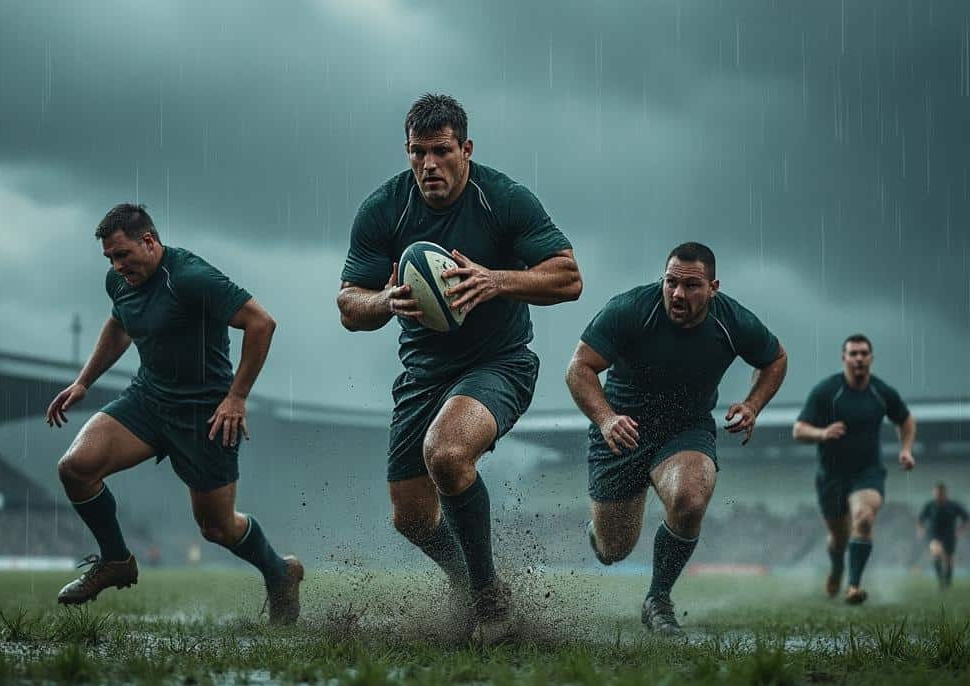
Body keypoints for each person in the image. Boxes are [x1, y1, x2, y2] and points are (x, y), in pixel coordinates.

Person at [336, 93, 581, 638]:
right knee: (412, 518)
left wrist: (497, 279)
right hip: (423, 375)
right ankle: (470, 585)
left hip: (500, 363)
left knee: (446, 452)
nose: (429, 165)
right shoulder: (384, 209)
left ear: (465, 149)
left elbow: (568, 277)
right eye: (417, 153)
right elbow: (349, 303)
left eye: (441, 151)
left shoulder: (504, 200)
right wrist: (384, 301)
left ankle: (492, 600)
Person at [45, 203, 303, 623]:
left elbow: (262, 323)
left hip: (206, 415)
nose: (116, 265)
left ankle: (280, 572)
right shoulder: (120, 282)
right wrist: (83, 382)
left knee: (216, 528)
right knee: (75, 467)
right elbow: (120, 325)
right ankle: (116, 561)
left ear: (149, 241)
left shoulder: (190, 278)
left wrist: (237, 397)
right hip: (148, 400)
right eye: (109, 257)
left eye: (123, 254)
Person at [566, 242, 786, 636]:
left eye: (691, 286)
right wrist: (605, 419)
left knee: (691, 497)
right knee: (613, 550)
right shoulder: (630, 309)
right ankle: (601, 536)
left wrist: (753, 404)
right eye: (671, 283)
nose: (678, 294)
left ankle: (658, 599)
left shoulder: (732, 322)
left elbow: (775, 359)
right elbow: (579, 368)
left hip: (685, 429)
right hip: (622, 431)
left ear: (713, 287)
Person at [793, 334, 916, 604]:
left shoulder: (881, 392)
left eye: (863, 353)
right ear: (844, 358)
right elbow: (798, 430)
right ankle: (837, 567)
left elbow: (905, 420)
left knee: (863, 517)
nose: (859, 358)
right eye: (853, 353)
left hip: (868, 472)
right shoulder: (827, 391)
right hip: (831, 476)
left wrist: (906, 449)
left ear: (871, 358)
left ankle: (854, 586)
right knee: (839, 537)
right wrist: (823, 433)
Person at [917, 483, 968, 590]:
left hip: (949, 535)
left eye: (940, 493)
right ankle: (940, 580)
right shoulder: (930, 505)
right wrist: (921, 529)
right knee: (936, 553)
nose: (938, 496)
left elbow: (965, 517)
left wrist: (962, 530)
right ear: (934, 493)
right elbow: (921, 519)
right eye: (936, 493)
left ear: (945, 494)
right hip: (934, 534)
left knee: (949, 559)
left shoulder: (953, 505)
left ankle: (948, 581)